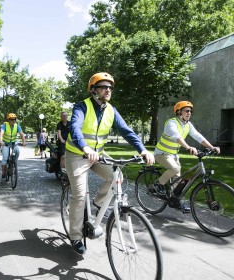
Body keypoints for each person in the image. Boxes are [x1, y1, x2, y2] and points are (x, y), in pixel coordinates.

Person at [65, 72, 154, 255]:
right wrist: (85, 147)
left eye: (110, 87)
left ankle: (98, 204)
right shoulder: (82, 106)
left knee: (116, 177)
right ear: (93, 90)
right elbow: (74, 127)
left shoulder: (111, 110)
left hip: (97, 154)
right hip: (77, 154)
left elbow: (126, 131)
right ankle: (75, 236)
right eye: (103, 87)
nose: (108, 90)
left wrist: (142, 149)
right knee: (79, 196)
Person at [154, 100, 221, 212]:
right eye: (187, 111)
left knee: (179, 182)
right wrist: (188, 147)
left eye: (190, 111)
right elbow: (177, 137)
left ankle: (176, 202)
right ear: (179, 112)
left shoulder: (187, 125)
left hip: (173, 155)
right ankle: (158, 184)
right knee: (175, 168)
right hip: (161, 153)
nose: (189, 113)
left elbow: (198, 136)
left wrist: (211, 147)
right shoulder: (171, 123)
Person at [0, 113, 26, 179]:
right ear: (9, 120)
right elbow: (1, 134)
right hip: (6, 143)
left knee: (17, 151)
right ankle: (3, 172)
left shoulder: (17, 126)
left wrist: (24, 142)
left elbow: (22, 134)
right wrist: (1, 141)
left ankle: (14, 163)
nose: (13, 121)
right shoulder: (5, 125)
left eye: (14, 119)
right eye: (12, 119)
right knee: (5, 158)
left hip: (13, 143)